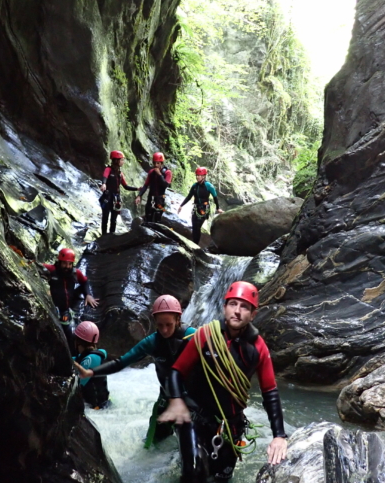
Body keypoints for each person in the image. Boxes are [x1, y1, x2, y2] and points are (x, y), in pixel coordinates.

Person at [158, 281, 288, 482]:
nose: (237, 311)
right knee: (194, 472)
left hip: (230, 426)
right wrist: (176, 401)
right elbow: (176, 372)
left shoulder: (258, 348)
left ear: (253, 314)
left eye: (244, 306)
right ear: (224, 307)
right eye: (233, 304)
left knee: (220, 478)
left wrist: (279, 436)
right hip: (195, 420)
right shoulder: (205, 335)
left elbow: (269, 392)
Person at [74, 295, 196, 447]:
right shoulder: (152, 341)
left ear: (178, 319)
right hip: (166, 397)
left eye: (168, 325)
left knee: (191, 446)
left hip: (193, 400)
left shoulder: (193, 337)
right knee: (152, 445)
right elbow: (121, 362)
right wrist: (91, 372)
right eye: (160, 325)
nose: (164, 330)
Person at [43, 248, 99, 346]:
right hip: (53, 307)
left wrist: (88, 295)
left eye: (70, 264)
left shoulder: (75, 273)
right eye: (64, 263)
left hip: (65, 309)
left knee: (68, 334)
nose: (67, 266)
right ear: (59, 262)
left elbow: (84, 282)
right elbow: (36, 266)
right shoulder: (52, 270)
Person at [177, 167, 223, 244]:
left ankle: (195, 244)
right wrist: (181, 206)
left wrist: (218, 208)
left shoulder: (208, 186)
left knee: (197, 227)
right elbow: (189, 196)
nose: (197, 177)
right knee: (194, 226)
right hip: (196, 208)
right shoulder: (195, 186)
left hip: (204, 209)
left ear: (203, 176)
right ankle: (194, 243)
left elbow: (215, 197)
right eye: (197, 175)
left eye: (199, 175)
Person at [72, 321, 110, 409]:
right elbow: (76, 359)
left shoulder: (90, 360)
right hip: (100, 404)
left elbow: (78, 385)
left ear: (77, 341)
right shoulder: (93, 356)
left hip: (96, 408)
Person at [100, 150, 138, 235]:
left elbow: (126, 186)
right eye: (122, 160)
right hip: (107, 197)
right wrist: (104, 184)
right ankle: (103, 236)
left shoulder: (120, 174)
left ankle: (111, 235)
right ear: (116, 160)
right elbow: (104, 177)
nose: (123, 162)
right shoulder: (108, 169)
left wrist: (137, 189)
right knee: (105, 218)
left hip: (116, 198)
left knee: (114, 219)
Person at [135, 152, 172, 223]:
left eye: (158, 163)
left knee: (157, 218)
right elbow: (146, 185)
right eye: (154, 163)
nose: (156, 165)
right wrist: (139, 195)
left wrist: (159, 174)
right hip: (151, 198)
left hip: (160, 199)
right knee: (148, 216)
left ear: (161, 163)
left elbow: (166, 184)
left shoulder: (167, 172)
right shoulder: (151, 172)